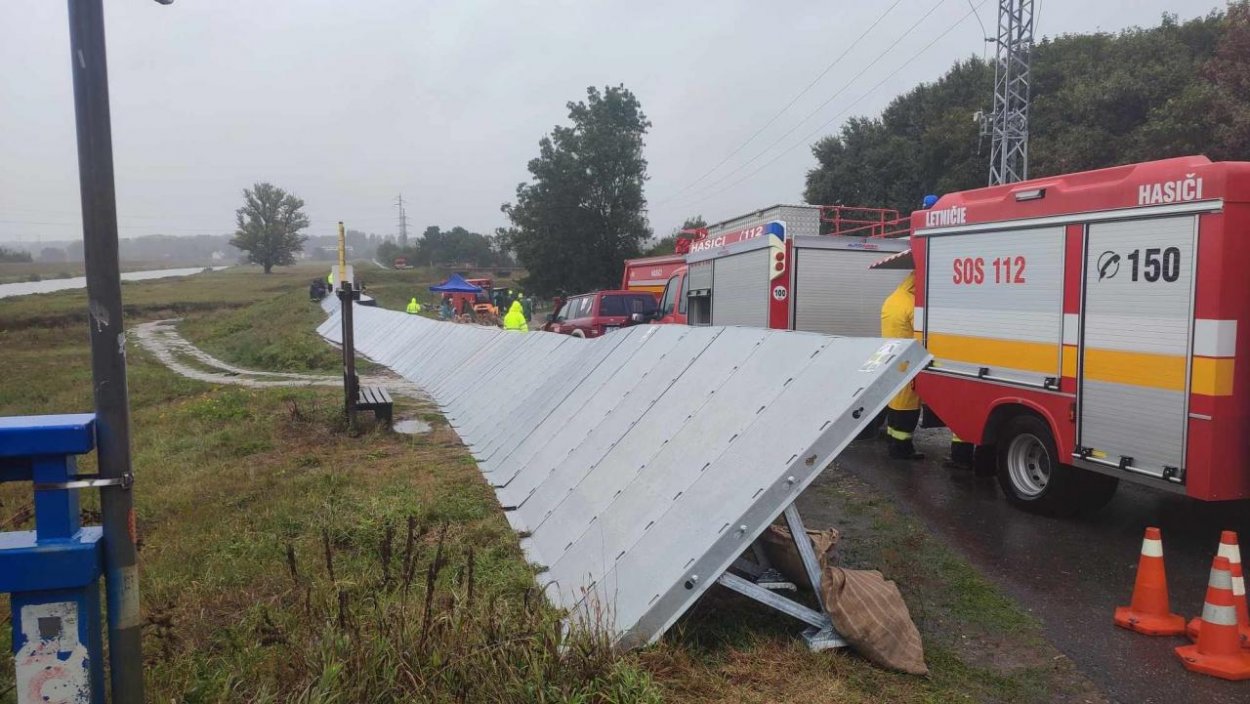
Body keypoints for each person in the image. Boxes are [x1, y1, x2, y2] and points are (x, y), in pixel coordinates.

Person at [881, 271, 923, 460]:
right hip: (908, 360)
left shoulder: (892, 298)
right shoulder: (911, 303)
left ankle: (892, 441)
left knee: (895, 399)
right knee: (908, 403)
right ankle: (902, 447)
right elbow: (922, 333)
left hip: (892, 357)